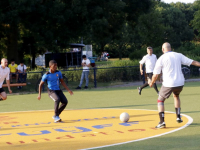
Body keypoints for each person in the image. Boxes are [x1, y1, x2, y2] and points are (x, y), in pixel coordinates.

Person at [149, 42, 200, 128]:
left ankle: (162, 122)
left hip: (169, 83)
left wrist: (152, 82)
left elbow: (155, 75)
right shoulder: (178, 55)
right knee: (176, 96)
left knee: (160, 100)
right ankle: (178, 117)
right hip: (180, 82)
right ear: (170, 48)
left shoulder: (161, 58)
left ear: (163, 49)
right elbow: (193, 62)